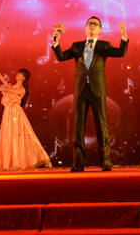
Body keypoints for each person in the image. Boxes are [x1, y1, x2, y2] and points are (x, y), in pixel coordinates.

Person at [52, 16, 128, 172]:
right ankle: (77, 163)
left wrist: (123, 36)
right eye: (89, 24)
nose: (92, 26)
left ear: (100, 29)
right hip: (81, 90)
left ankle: (106, 161)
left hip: (97, 89)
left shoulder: (103, 45)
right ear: (85, 28)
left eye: (95, 24)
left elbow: (121, 52)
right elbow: (61, 57)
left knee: (102, 125)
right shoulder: (77, 46)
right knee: (78, 127)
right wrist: (56, 43)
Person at [0, 56, 51, 170]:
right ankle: (11, 162)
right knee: (9, 136)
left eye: (20, 73)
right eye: (18, 72)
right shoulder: (11, 85)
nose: (17, 74)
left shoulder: (22, 90)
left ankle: (38, 158)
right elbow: (0, 76)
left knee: (21, 136)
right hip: (8, 113)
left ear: (24, 77)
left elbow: (6, 90)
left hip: (16, 114)